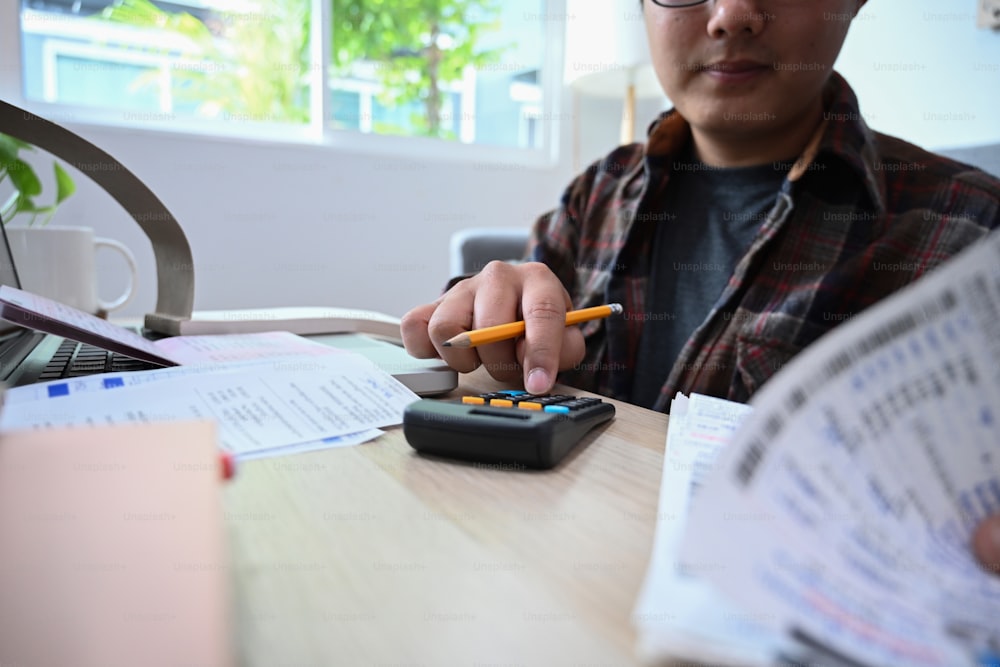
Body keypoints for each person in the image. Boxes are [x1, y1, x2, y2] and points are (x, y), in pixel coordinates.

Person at [401, 1, 1000, 568]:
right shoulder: (598, 193)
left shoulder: (973, 236)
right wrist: (486, 316)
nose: (733, 14)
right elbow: (494, 374)